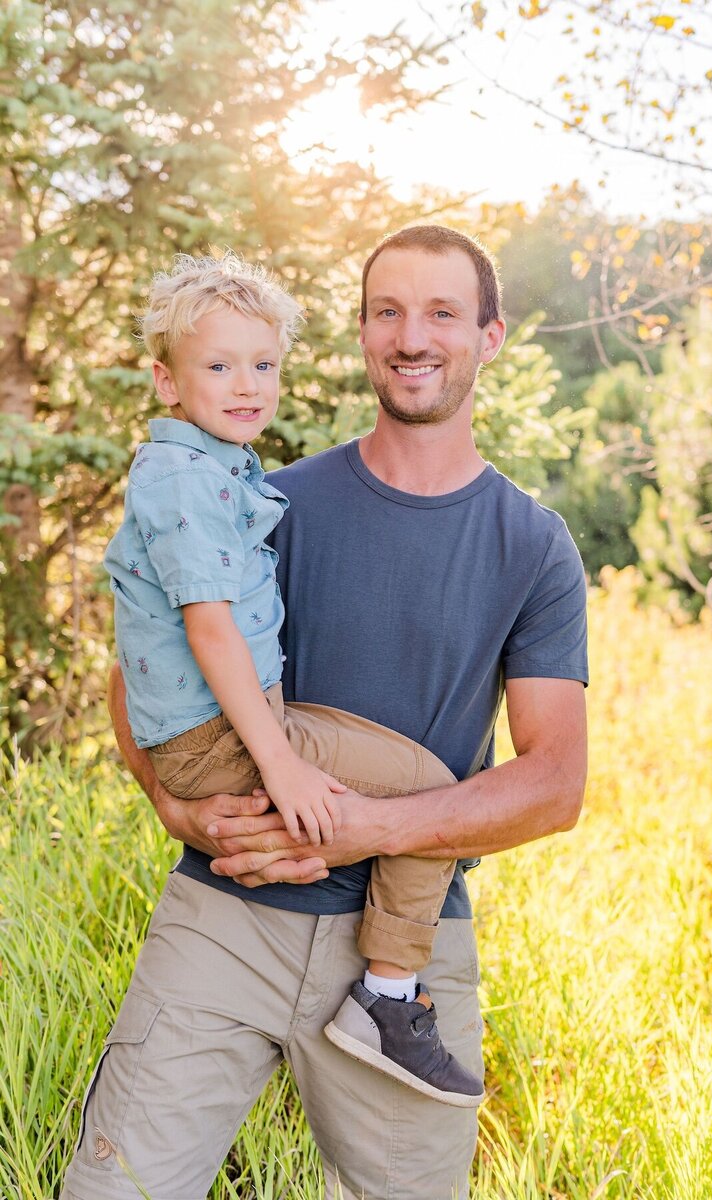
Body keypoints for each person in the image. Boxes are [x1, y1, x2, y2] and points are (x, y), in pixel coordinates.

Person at [61, 225, 588, 1200]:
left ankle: (385, 1000)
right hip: (227, 914)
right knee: (113, 1189)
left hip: (407, 947)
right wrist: (174, 810)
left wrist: (360, 831)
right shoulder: (266, 498)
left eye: (440, 311)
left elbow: (554, 784)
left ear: (490, 334)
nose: (411, 335)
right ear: (359, 334)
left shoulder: (532, 545)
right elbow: (140, 675)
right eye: (386, 310)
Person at [102, 251, 482, 1108]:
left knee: (406, 785)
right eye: (219, 365)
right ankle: (387, 996)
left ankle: (380, 990)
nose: (248, 385)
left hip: (222, 727)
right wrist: (278, 763)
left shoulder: (215, 469)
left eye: (263, 365)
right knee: (430, 787)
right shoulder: (184, 483)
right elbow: (208, 628)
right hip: (223, 736)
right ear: (166, 381)